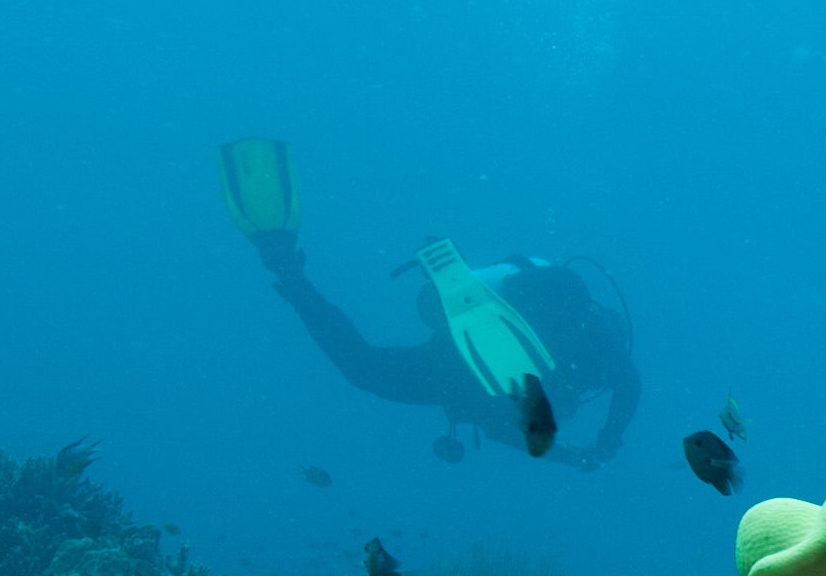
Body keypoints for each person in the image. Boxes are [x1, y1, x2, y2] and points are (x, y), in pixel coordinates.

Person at [216, 140, 636, 464]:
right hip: (465, 378)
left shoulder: (591, 340)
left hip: (453, 360)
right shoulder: (599, 347)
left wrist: (587, 447)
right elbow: (621, 387)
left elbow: (619, 388)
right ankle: (293, 278)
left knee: (361, 366)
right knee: (362, 369)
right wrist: (600, 445)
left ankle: (291, 275)